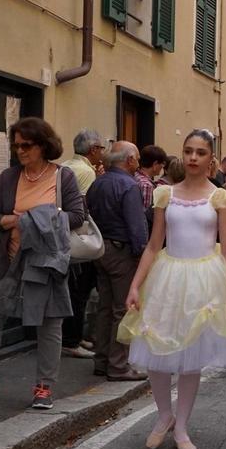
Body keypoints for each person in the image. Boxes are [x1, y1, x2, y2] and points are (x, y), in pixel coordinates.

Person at [120, 130, 226, 449]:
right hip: (167, 277)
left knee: (190, 358)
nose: (193, 157)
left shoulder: (221, 198)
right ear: (182, 155)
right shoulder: (163, 195)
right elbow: (154, 245)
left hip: (203, 279)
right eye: (188, 151)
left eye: (200, 152)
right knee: (156, 350)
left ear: (211, 159)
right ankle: (164, 416)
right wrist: (135, 284)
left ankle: (181, 426)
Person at [0, 117, 85, 410]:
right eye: (16, 146)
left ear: (43, 145)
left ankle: (44, 387)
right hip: (11, 262)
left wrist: (41, 218)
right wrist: (13, 220)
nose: (20, 151)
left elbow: (77, 216)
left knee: (49, 325)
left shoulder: (63, 178)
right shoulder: (9, 178)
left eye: (26, 145)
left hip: (46, 264)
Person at [84, 142, 150, 382]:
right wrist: (142, 255)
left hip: (100, 249)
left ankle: (101, 360)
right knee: (122, 310)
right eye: (138, 158)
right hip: (121, 251)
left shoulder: (97, 183)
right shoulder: (128, 186)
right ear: (129, 159)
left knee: (104, 307)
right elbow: (137, 227)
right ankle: (118, 365)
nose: (139, 163)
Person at [60, 129, 105, 361]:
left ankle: (72, 337)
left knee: (71, 289)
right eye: (101, 149)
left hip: (61, 233)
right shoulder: (86, 171)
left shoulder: (65, 165)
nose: (102, 153)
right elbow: (86, 205)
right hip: (79, 237)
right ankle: (72, 339)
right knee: (79, 290)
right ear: (93, 150)